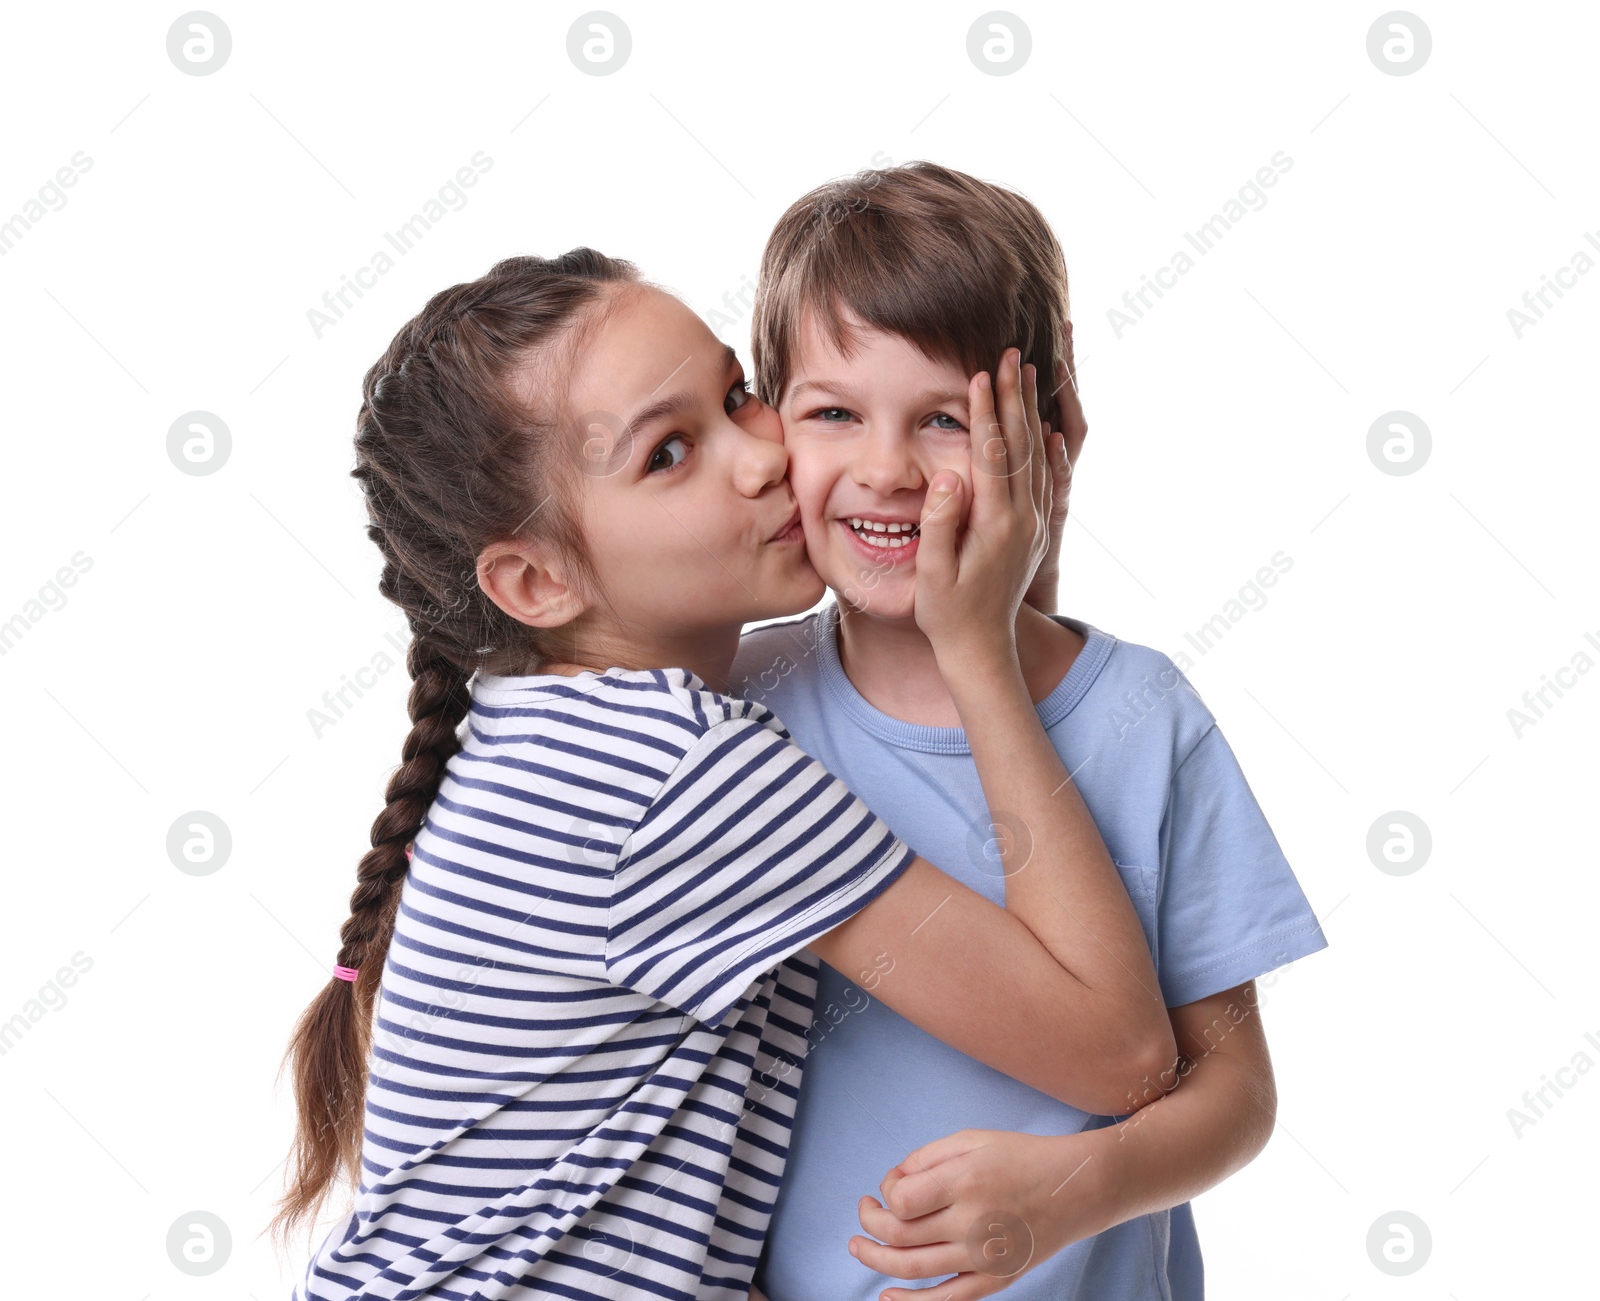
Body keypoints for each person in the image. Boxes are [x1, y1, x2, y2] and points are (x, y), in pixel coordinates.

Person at [266, 247, 1181, 1300]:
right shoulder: (675, 767)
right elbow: (1120, 1052)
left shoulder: (546, 729)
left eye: (738, 395)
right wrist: (982, 644)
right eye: (668, 453)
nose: (757, 456)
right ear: (536, 578)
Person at [734, 160, 1330, 1299]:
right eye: (832, 412)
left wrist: (1076, 1186)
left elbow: (1234, 1090)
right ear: (772, 428)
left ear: (1044, 433)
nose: (886, 469)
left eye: (946, 419)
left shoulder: (1140, 716)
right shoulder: (731, 709)